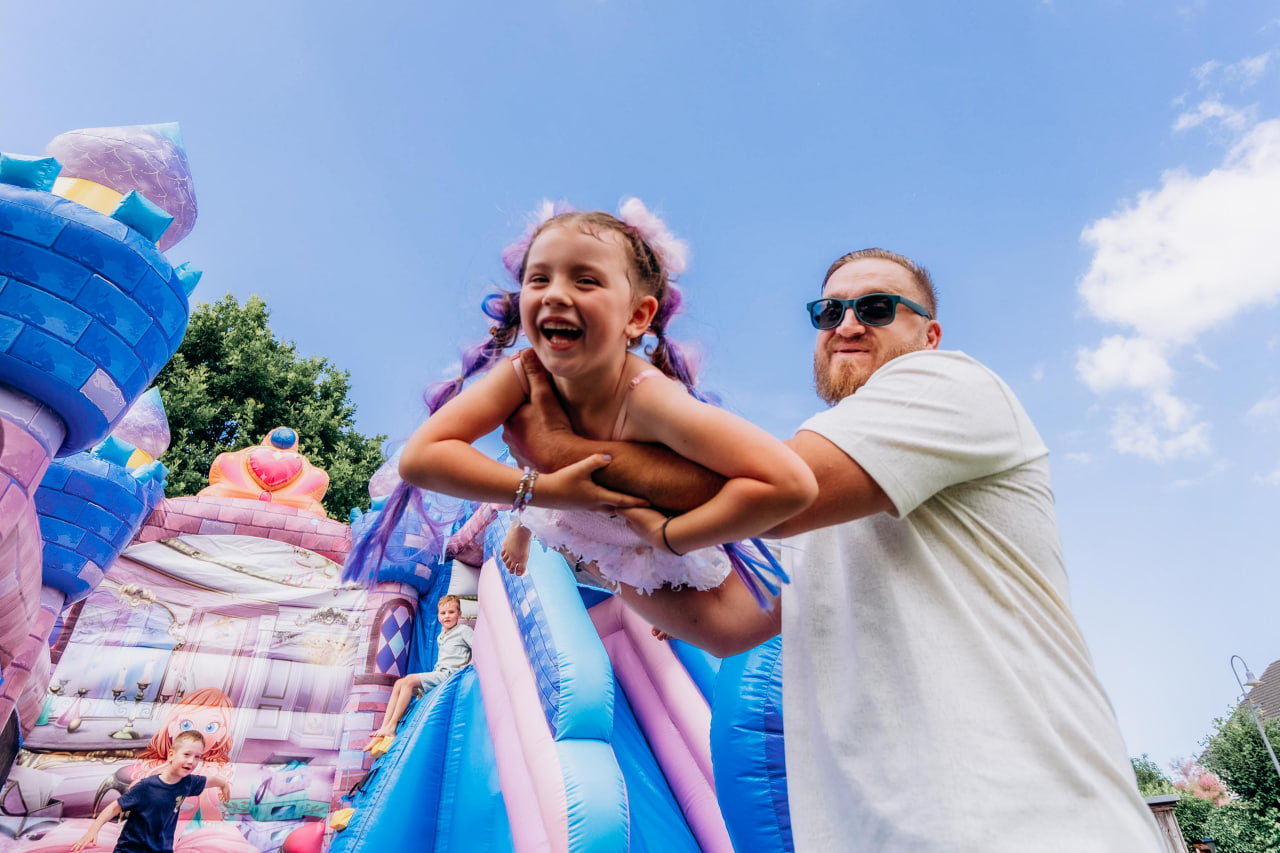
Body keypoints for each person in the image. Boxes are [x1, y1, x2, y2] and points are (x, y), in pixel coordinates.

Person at [502, 248, 1164, 851]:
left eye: (876, 307)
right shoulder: (815, 483)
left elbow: (782, 489)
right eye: (829, 310)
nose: (847, 322)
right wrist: (578, 513)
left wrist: (576, 441)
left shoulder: (950, 384)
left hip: (1023, 821)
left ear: (928, 335)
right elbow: (725, 620)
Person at [393, 199, 815, 599]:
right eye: (539, 278)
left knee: (668, 601)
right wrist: (546, 489)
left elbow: (790, 483)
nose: (555, 294)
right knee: (531, 505)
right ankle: (524, 526)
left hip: (642, 540)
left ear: (636, 317)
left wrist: (672, 537)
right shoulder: (524, 373)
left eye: (586, 281)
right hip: (569, 514)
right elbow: (421, 458)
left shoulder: (649, 398)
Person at [71, 730, 231, 852]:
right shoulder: (146, 786)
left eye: (197, 757)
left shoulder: (188, 783)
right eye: (187, 754)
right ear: (171, 755)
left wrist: (223, 784)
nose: (192, 761)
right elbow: (115, 807)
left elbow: (209, 780)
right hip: (132, 849)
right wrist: (92, 831)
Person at [367, 595, 474, 743]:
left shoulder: (463, 630)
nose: (447, 616)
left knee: (410, 680)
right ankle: (385, 725)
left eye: (451, 612)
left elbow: (478, 648)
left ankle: (392, 726)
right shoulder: (441, 636)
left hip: (450, 674)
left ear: (459, 614)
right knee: (400, 683)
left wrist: (469, 663)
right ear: (438, 616)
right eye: (443, 613)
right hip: (438, 673)